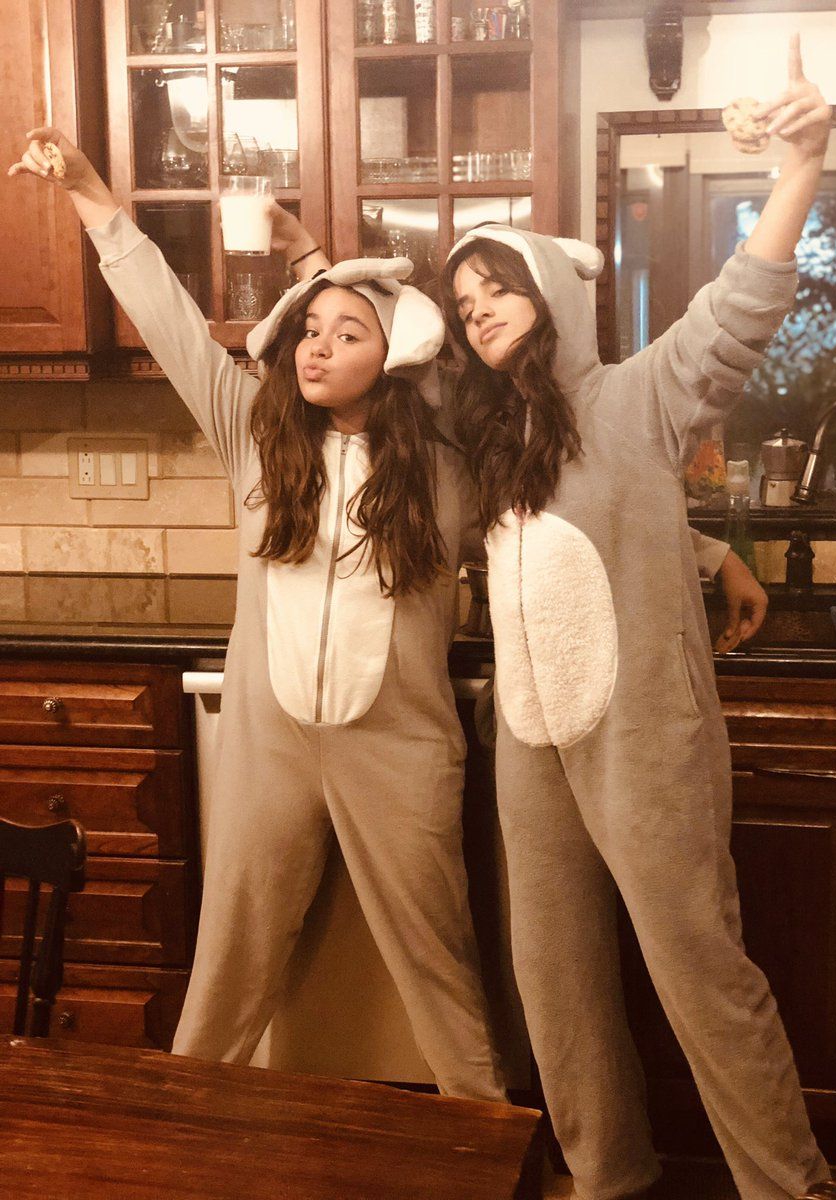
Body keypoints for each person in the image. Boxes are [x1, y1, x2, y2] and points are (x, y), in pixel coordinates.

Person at [8, 127, 509, 1100]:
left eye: (348, 335)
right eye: (309, 329)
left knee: (441, 967)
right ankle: (184, 1133)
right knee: (228, 964)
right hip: (268, 744)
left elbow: (534, 476)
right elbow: (169, 320)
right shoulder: (255, 435)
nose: (319, 346)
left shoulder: (445, 469)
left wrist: (310, 253)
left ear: (399, 356)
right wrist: (90, 192)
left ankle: (491, 1140)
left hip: (400, 749)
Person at [439, 34, 831, 1200]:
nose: (479, 313)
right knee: (553, 979)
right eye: (464, 304)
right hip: (532, 740)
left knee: (699, 966)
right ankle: (607, 1176)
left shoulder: (636, 395)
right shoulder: (495, 440)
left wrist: (802, 169)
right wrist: (710, 550)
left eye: (499, 287)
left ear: (553, 293)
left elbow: (738, 310)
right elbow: (580, 524)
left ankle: (790, 1187)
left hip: (643, 737)